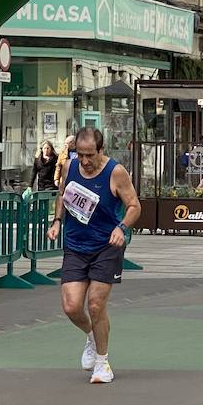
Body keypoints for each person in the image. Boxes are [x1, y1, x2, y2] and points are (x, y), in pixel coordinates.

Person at [47, 126, 141, 385]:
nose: (85, 161)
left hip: (106, 246)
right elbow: (62, 195)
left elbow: (134, 206)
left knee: (96, 304)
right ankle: (90, 336)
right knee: (71, 307)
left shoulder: (116, 172)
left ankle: (103, 362)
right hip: (76, 245)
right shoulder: (70, 167)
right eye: (80, 155)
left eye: (90, 155)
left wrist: (122, 228)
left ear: (101, 150)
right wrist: (56, 221)